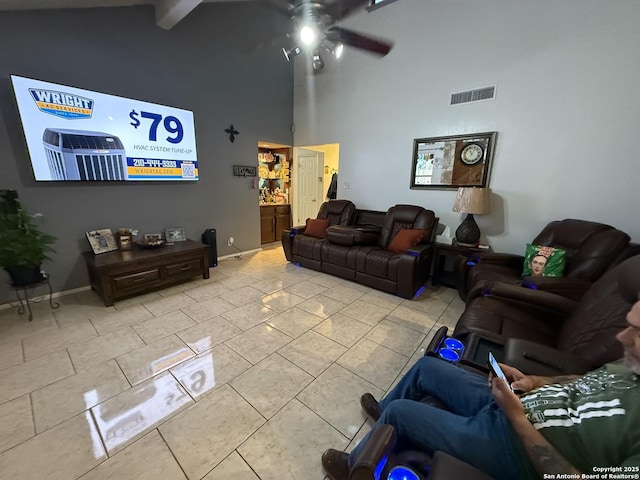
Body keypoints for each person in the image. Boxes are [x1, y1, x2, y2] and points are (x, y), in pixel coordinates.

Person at [321, 300, 640, 480]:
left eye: (637, 332)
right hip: (517, 405)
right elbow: (579, 380)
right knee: (427, 367)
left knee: (399, 413)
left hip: (514, 449)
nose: (622, 337)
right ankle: (384, 419)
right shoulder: (628, 367)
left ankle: (355, 467)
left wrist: (518, 419)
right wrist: (533, 381)